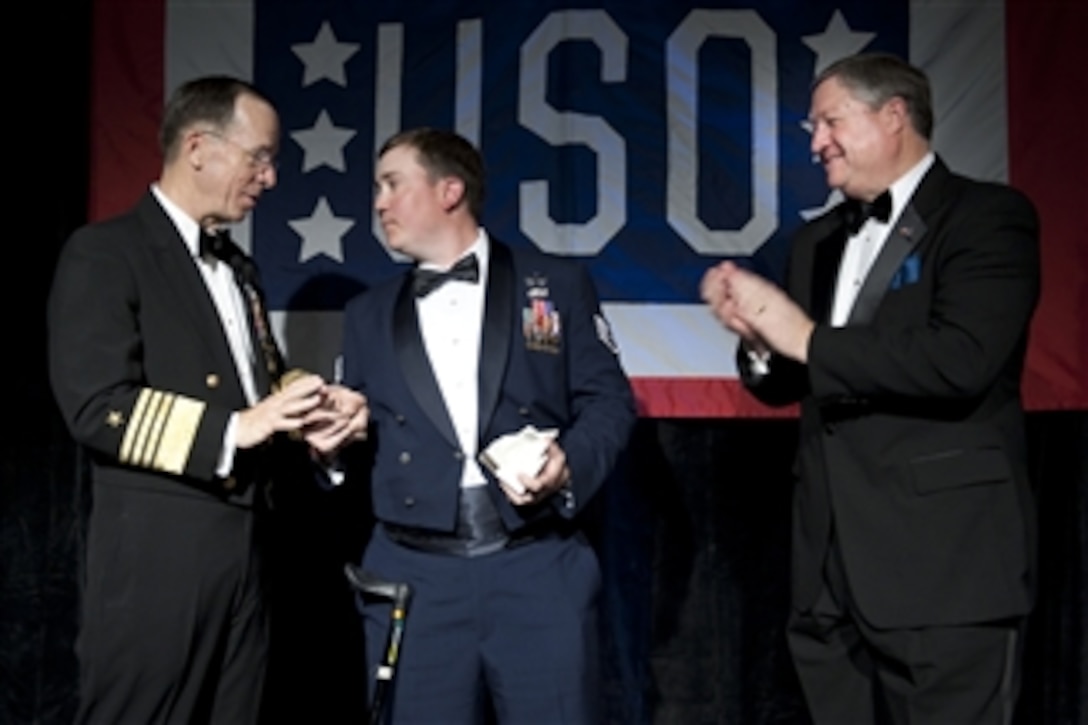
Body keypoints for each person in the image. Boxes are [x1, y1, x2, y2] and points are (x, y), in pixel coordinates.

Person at [701, 53, 1039, 723]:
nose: (817, 141)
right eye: (812, 126)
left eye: (830, 121)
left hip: (945, 571)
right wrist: (761, 341)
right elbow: (798, 375)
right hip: (828, 580)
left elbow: (961, 358)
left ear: (894, 115)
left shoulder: (987, 217)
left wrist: (806, 337)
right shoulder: (818, 240)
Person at [48, 76, 366, 724]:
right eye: (260, 157)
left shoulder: (238, 269)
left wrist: (309, 407)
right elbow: (95, 404)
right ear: (199, 147)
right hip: (160, 561)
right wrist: (236, 427)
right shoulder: (106, 253)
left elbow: (255, 382)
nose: (271, 178)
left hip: (251, 553)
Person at [336, 127, 636, 723]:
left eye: (392, 184)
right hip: (415, 579)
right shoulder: (365, 315)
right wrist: (327, 449)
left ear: (450, 191)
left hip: (535, 563)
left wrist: (568, 463)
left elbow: (609, 402)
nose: (379, 203)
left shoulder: (553, 285)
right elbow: (351, 436)